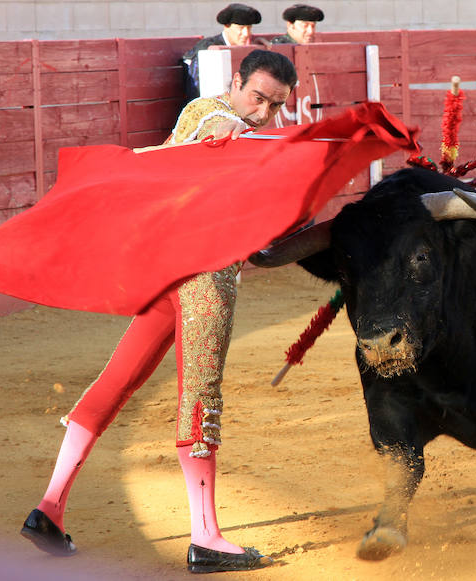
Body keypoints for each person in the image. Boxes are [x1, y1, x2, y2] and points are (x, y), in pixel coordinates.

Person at [19, 49, 297, 574]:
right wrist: (232, 131)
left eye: (276, 106)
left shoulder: (250, 137)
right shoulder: (210, 115)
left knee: (115, 382)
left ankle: (49, 507)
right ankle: (206, 537)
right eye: (258, 98)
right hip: (205, 281)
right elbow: (215, 124)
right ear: (235, 84)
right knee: (200, 396)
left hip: (168, 276)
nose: (263, 114)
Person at [182, 3, 262, 101]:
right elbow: (196, 90)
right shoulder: (208, 47)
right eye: (240, 28)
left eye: (249, 28)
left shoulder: (245, 46)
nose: (246, 34)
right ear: (226, 26)